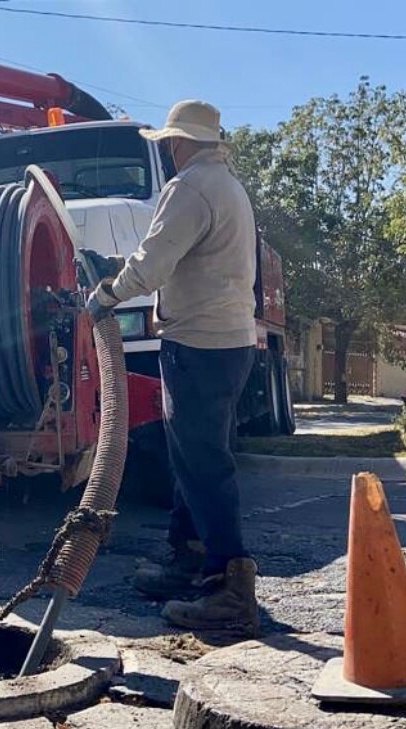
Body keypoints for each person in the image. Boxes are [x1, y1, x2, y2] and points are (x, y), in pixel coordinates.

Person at [87, 100, 259, 632]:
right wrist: (128, 269)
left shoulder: (188, 188)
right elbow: (180, 254)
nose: (166, 152)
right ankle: (188, 557)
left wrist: (107, 294)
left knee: (204, 465)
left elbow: (156, 262)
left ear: (180, 143)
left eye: (167, 144)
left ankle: (229, 587)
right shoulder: (228, 186)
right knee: (194, 457)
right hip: (231, 342)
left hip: (198, 346)